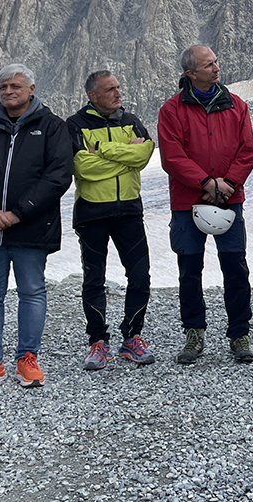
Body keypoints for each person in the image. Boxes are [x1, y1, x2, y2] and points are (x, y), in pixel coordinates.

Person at [0, 64, 72, 393]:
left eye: (15, 86)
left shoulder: (52, 127)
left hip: (32, 229)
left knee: (32, 293)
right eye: (4, 86)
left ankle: (28, 359)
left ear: (31, 89)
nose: (8, 91)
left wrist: (18, 214)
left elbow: (58, 176)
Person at [158, 45, 253, 365]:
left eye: (216, 61)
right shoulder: (171, 111)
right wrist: (206, 183)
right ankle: (194, 332)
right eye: (208, 64)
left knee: (235, 267)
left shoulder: (237, 106)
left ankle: (239, 332)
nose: (216, 68)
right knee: (189, 269)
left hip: (229, 197)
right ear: (190, 73)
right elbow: (172, 157)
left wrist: (226, 184)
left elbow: (247, 151)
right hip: (189, 202)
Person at [67, 71, 156, 370]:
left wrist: (103, 151)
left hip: (129, 211)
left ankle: (133, 337)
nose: (118, 93)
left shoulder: (130, 120)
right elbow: (82, 167)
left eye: (118, 87)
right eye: (110, 90)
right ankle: (98, 341)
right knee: (94, 279)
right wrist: (123, 157)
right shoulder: (75, 124)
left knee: (140, 276)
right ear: (93, 96)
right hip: (92, 213)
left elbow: (144, 155)